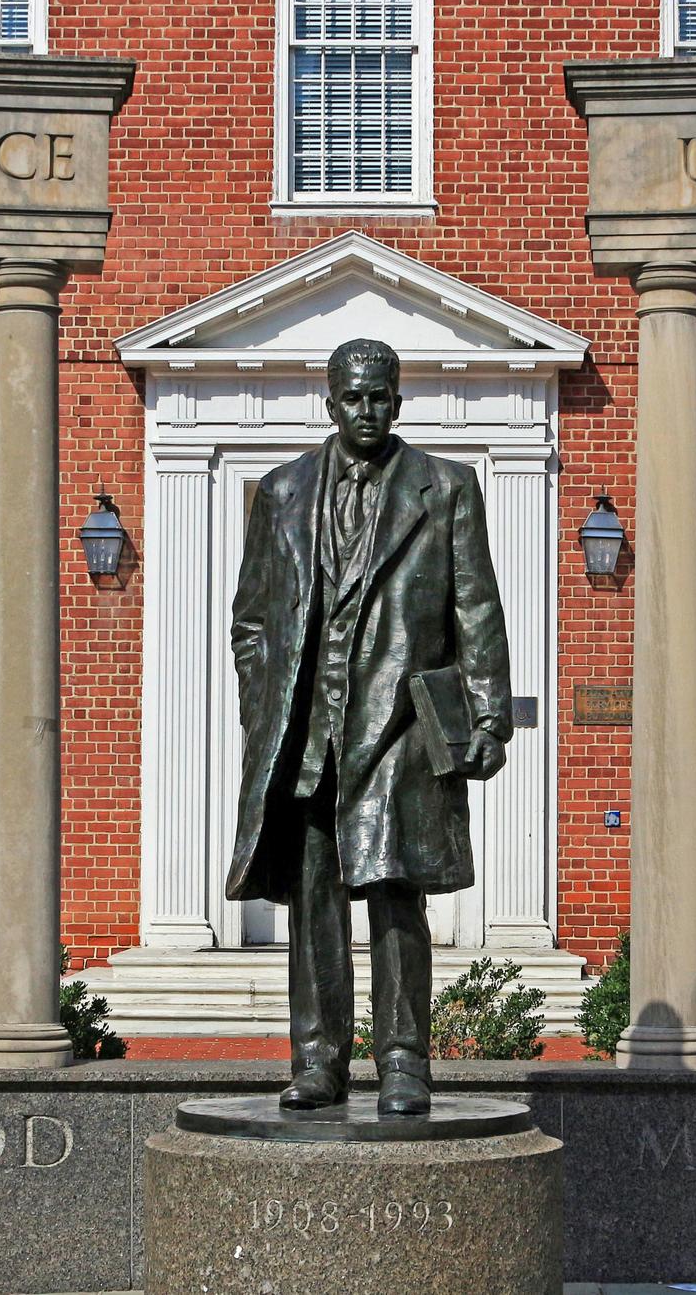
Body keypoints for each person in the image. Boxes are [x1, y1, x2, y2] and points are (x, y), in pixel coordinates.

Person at [226, 337, 512, 1115]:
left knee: (394, 894)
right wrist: (267, 706)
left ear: (398, 399)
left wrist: (490, 717)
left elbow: (475, 606)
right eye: (353, 397)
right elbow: (251, 620)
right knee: (315, 900)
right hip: (308, 734)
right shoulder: (282, 490)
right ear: (329, 401)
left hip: (399, 728)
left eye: (380, 396)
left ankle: (402, 1061)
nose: (367, 410)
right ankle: (319, 1058)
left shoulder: (445, 487)